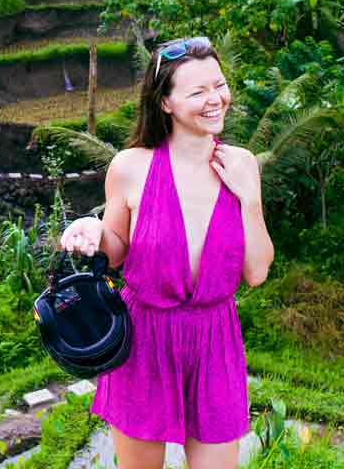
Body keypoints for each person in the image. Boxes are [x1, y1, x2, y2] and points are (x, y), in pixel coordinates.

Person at [58, 36, 274, 469]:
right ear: (166, 104)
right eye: (198, 92)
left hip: (215, 340)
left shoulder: (242, 163)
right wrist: (94, 230)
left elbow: (256, 273)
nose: (215, 100)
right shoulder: (130, 167)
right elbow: (117, 253)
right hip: (144, 339)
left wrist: (249, 199)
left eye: (219, 85)